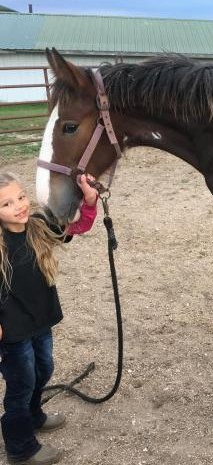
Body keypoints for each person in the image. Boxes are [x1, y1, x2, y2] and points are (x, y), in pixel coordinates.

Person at [0, 171, 98, 465]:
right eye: (6, 204)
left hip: (40, 320)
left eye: (20, 197)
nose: (18, 206)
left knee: (44, 368)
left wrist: (89, 200)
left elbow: (78, 226)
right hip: (12, 331)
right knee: (21, 384)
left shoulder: (38, 226)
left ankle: (33, 415)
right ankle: (20, 448)